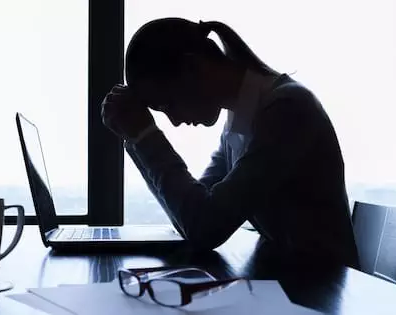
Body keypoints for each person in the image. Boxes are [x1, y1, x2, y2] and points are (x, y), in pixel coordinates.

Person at [101, 18, 359, 269]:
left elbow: (205, 228)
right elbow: (192, 218)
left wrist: (146, 138)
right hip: (295, 283)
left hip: (324, 293)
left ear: (192, 68)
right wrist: (137, 139)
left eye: (168, 104)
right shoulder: (241, 120)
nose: (176, 121)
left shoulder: (287, 109)